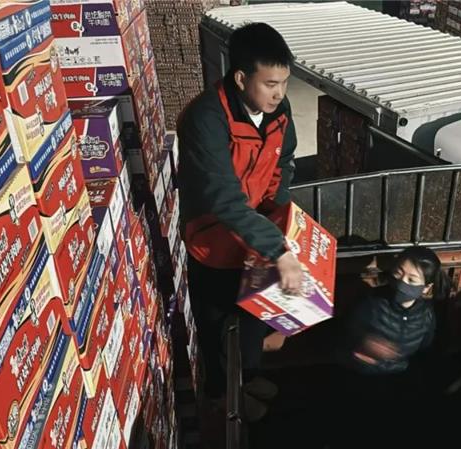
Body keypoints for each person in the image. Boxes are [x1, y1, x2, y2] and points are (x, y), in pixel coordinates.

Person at [177, 22, 301, 421]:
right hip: (213, 242)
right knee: (217, 331)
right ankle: (222, 396)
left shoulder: (279, 111)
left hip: (256, 238)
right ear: (241, 78)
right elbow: (223, 198)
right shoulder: (205, 118)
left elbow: (283, 164)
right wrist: (278, 249)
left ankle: (249, 379)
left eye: (284, 82)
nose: (279, 93)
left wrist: (279, 216)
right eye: (270, 84)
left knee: (254, 318)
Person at [342, 246, 449, 375]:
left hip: (400, 378)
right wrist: (364, 343)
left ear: (426, 287)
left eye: (412, 280)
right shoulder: (371, 303)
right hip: (363, 375)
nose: (402, 282)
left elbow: (424, 351)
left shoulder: (427, 315)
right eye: (398, 273)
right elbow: (345, 337)